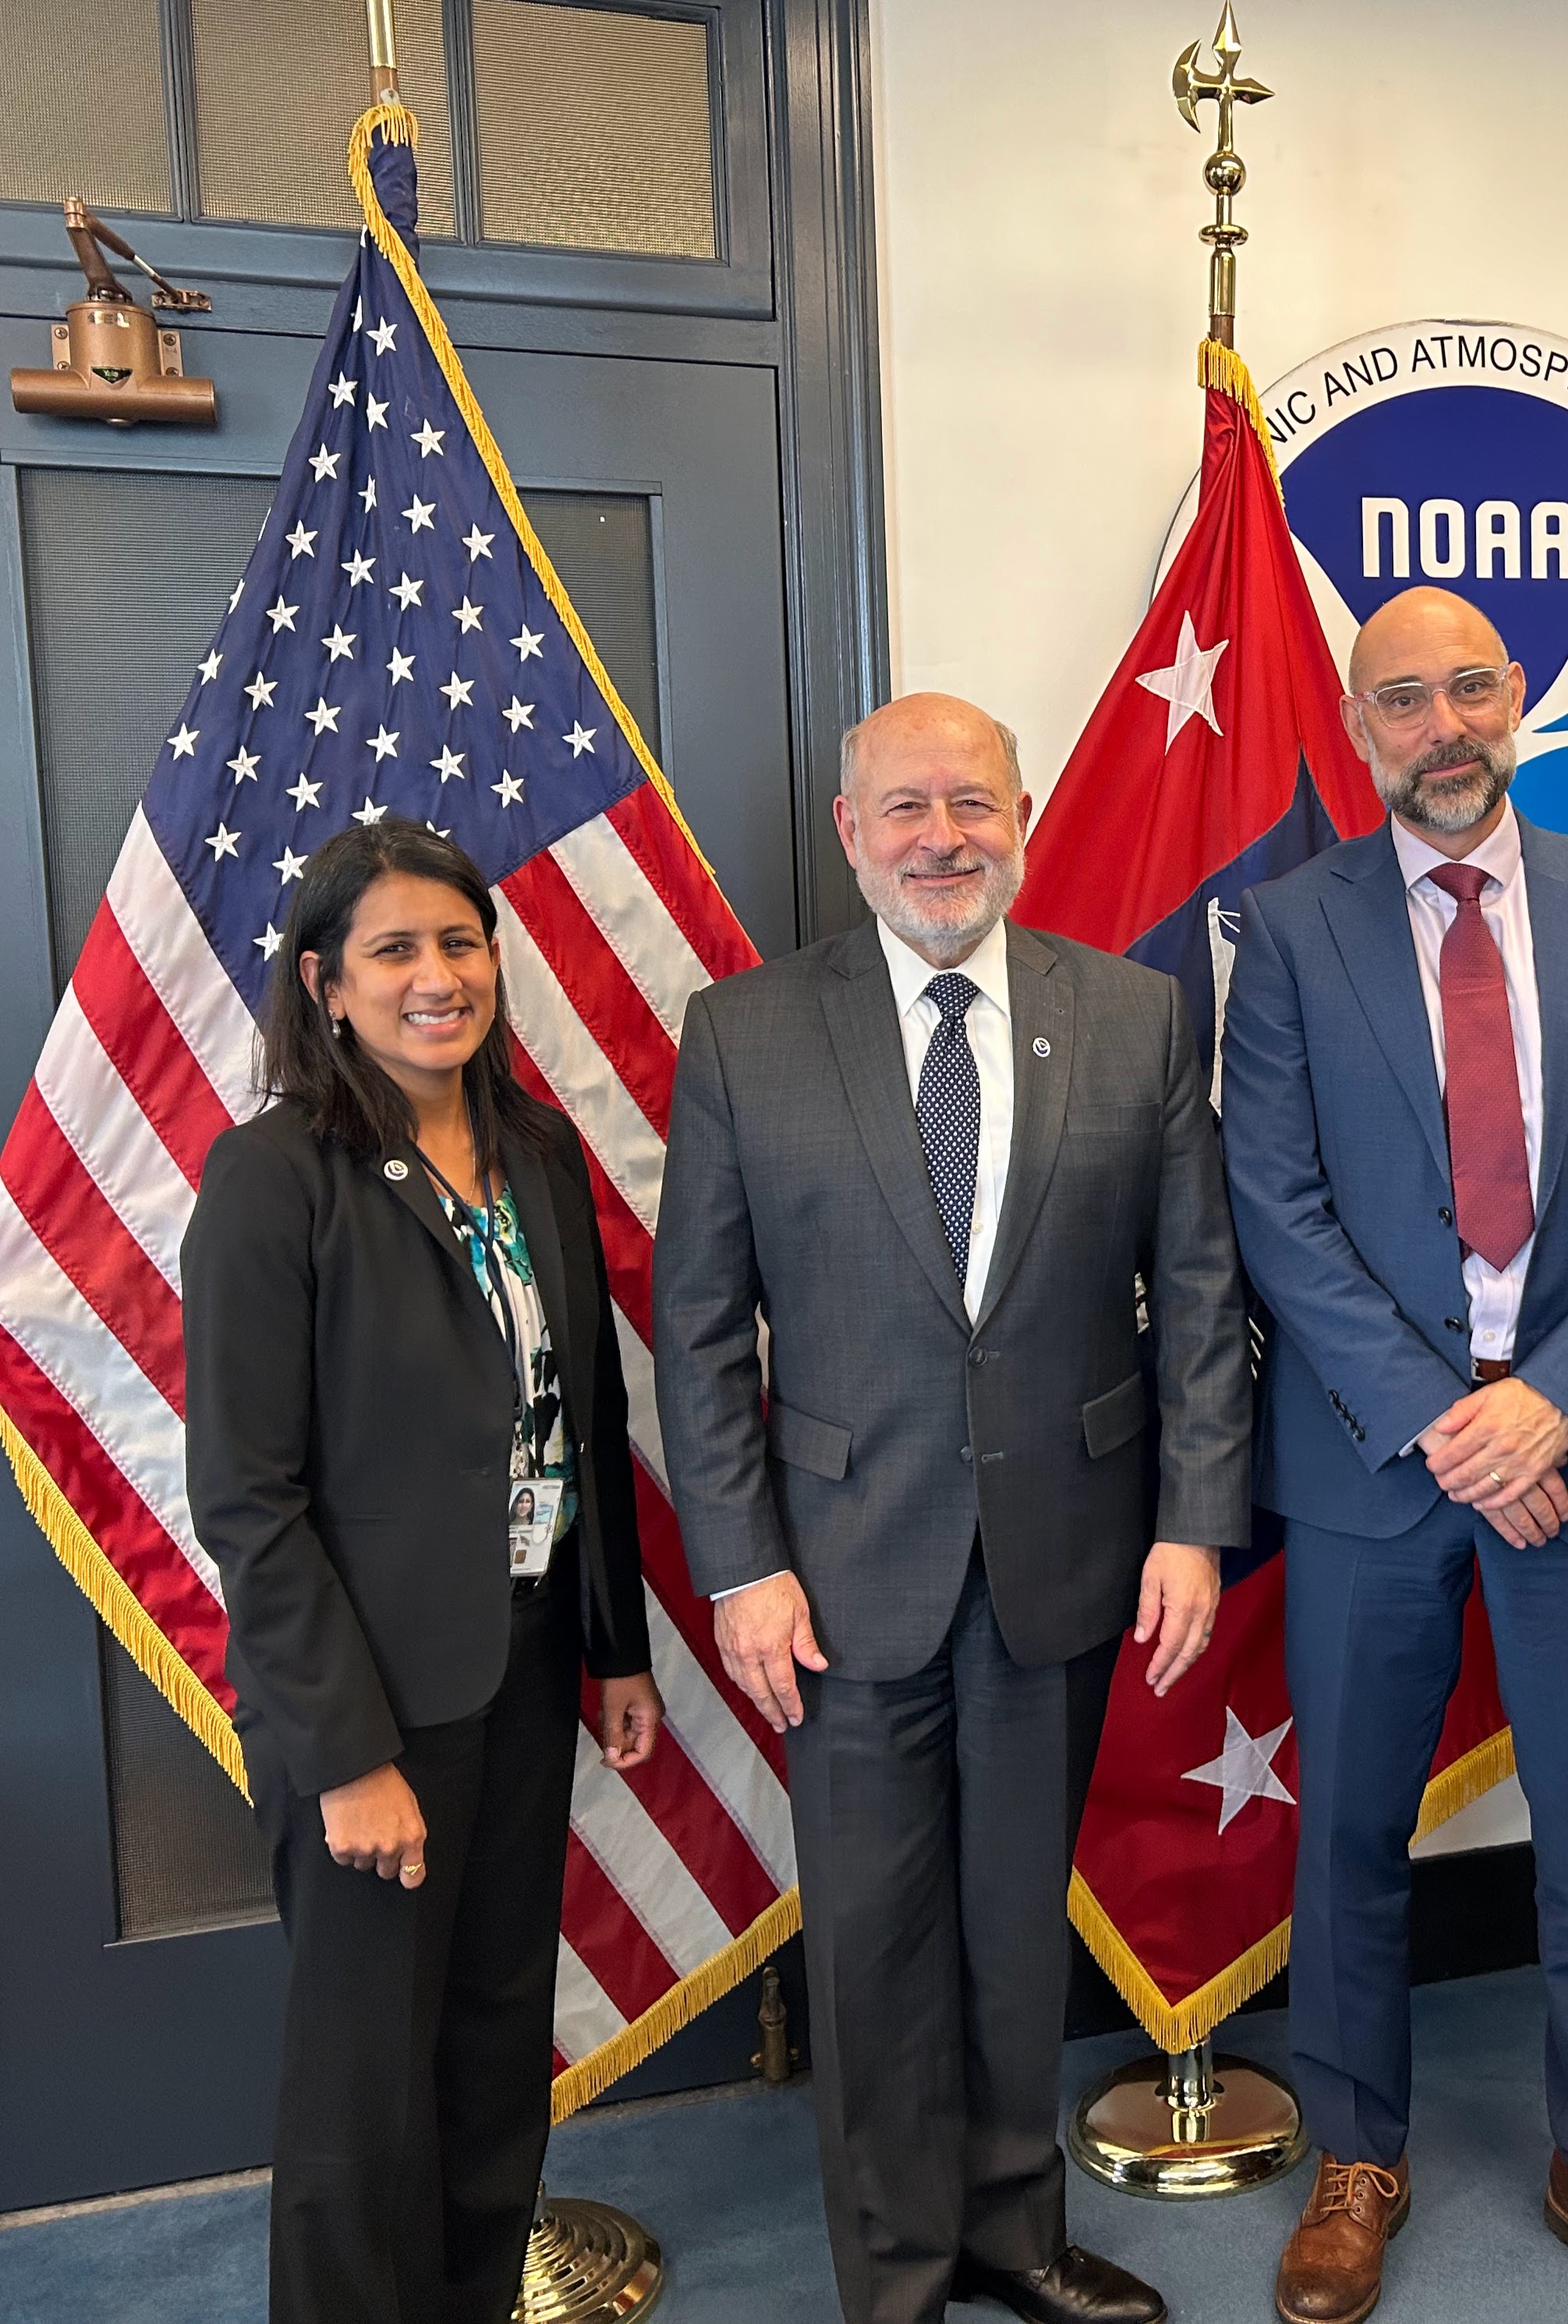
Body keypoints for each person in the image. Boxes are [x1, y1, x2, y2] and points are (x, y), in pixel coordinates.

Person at [654, 694, 1251, 2324]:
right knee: (868, 1949)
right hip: (835, 1581)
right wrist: (739, 1567)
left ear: (1022, 813)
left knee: (1008, 1932)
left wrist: (1194, 1521)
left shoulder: (1131, 1016)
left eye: (971, 802)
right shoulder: (747, 1028)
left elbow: (1196, 1293)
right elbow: (699, 1325)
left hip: (1062, 1558)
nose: (941, 835)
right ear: (850, 830)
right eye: (905, 806)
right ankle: (899, 2272)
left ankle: (1013, 2233)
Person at [1221, 585, 1568, 2324]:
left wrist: (1556, 1396)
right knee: (1351, 1828)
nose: (1438, 726)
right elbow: (1275, 1208)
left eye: (1463, 687)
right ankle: (1355, 2153)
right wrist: (1456, 1419)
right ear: (1357, 729)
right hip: (1379, 1455)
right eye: (1398, 701)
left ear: (1512, 693)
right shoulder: (1288, 929)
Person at [182, 821, 664, 2324]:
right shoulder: (274, 1179)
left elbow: (588, 1409)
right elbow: (247, 1501)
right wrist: (346, 1758)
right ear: (326, 984)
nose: (436, 977)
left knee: (490, 2035)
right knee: (363, 2083)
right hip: (370, 1701)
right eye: (393, 950)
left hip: (522, 1666)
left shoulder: (538, 1149)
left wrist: (618, 1645)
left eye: (458, 943)